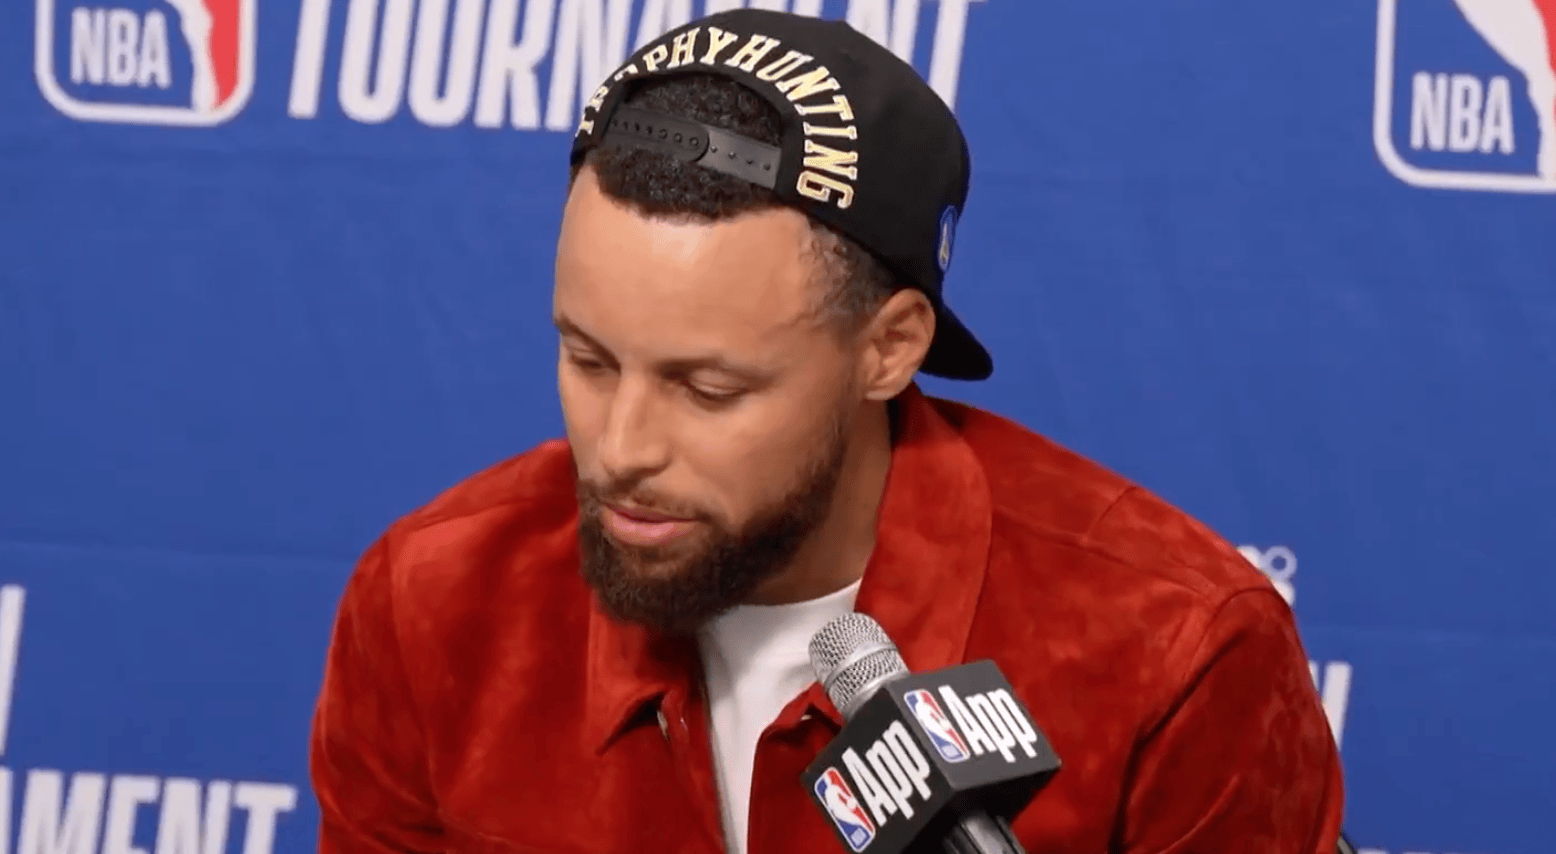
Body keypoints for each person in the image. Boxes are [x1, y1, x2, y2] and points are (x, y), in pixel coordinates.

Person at [308, 8, 1345, 854]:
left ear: (888, 348)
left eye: (707, 387)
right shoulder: (433, 603)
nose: (619, 450)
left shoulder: (1174, 652)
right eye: (588, 360)